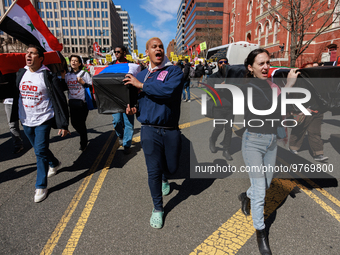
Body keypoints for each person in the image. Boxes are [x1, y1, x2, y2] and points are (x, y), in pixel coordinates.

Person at [238, 48, 299, 255]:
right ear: (250, 67)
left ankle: (246, 196)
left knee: (263, 184)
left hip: (271, 141)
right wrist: (288, 87)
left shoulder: (273, 85)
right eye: (260, 64)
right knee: (261, 191)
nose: (265, 67)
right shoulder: (247, 87)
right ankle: (261, 233)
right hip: (253, 142)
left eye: (267, 63)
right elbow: (267, 107)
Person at [123, 37, 183, 229]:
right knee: (153, 170)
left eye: (161, 47)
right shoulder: (139, 75)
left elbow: (168, 91)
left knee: (172, 168)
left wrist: (141, 86)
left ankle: (166, 177)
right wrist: (133, 109)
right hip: (149, 130)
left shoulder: (173, 71)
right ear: (147, 52)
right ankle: (158, 208)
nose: (158, 49)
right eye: (154, 47)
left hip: (170, 129)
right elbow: (136, 101)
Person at [10, 45, 70, 202]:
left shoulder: (48, 76)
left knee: (39, 151)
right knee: (40, 149)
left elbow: (60, 99)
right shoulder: (21, 73)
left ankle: (41, 186)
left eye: (32, 53)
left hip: (44, 118)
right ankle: (55, 163)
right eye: (27, 53)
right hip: (25, 119)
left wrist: (64, 124)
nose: (28, 55)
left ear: (40, 58)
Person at [288, 63, 328, 161]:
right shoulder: (300, 82)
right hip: (303, 111)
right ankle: (293, 147)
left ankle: (318, 153)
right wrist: (298, 110)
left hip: (317, 112)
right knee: (299, 130)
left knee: (315, 133)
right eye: (311, 69)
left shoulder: (320, 82)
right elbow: (294, 97)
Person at [208, 57, 234, 161]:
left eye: (225, 62)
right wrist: (219, 87)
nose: (223, 64)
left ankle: (226, 150)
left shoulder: (232, 77)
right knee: (219, 128)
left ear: (228, 63)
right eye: (220, 62)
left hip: (231, 107)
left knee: (229, 129)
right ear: (217, 64)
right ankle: (212, 140)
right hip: (218, 107)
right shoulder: (213, 77)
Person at [110, 45, 134, 154]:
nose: (116, 54)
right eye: (115, 52)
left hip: (128, 98)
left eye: (118, 52)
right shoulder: (111, 65)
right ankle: (120, 135)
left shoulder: (131, 65)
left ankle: (127, 145)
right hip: (115, 99)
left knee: (128, 123)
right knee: (116, 121)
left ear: (124, 53)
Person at [65, 55, 92, 152]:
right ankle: (83, 135)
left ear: (79, 63)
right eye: (72, 61)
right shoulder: (67, 75)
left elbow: (90, 86)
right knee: (74, 123)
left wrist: (82, 82)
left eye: (76, 61)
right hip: (72, 102)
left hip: (82, 103)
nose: (73, 62)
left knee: (81, 123)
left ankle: (83, 143)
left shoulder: (84, 74)